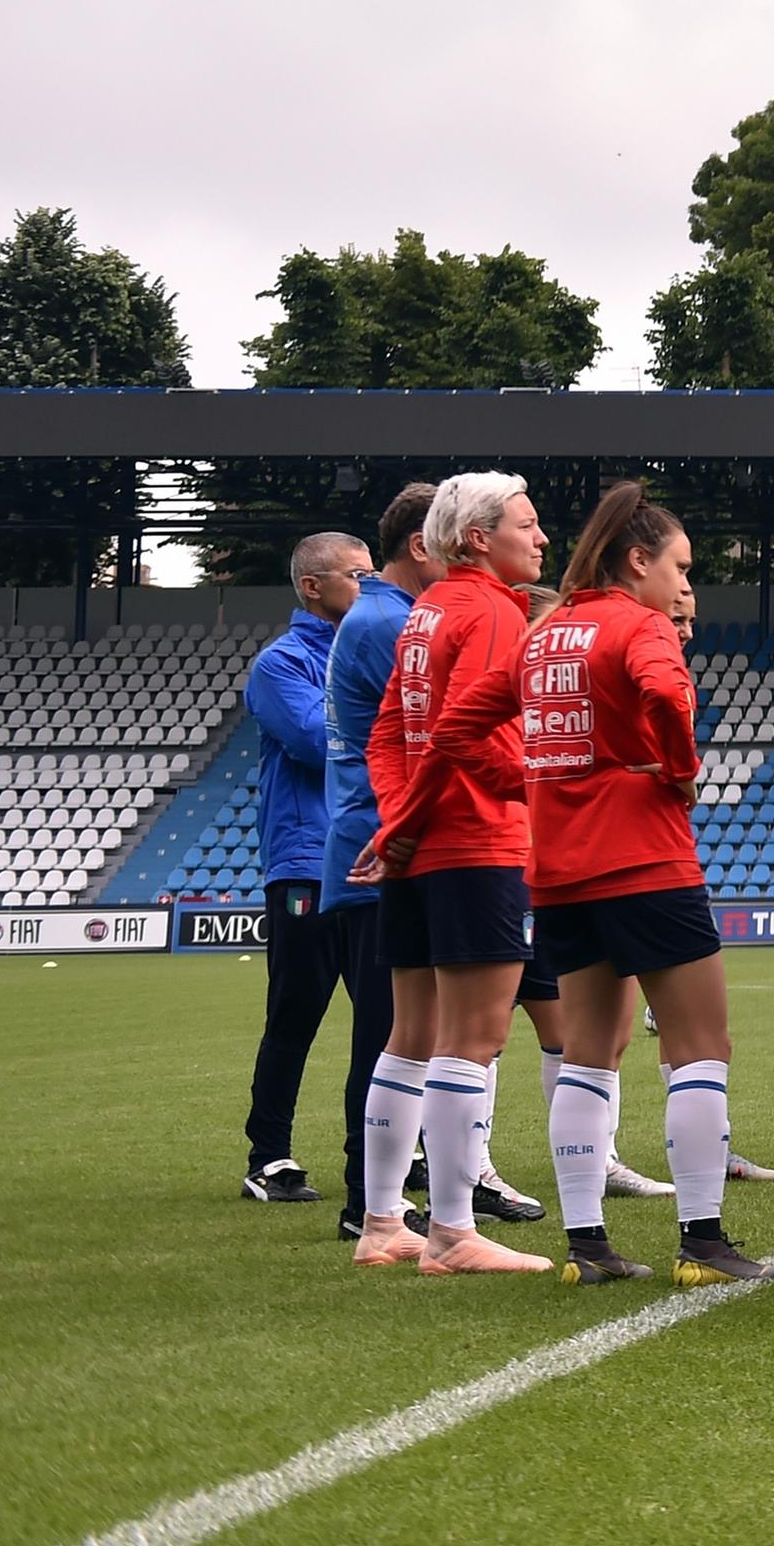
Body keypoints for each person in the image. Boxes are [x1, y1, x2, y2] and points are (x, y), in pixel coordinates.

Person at [521, 484, 765, 1285]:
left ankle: (587, 1247)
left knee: (589, 1052)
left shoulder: (548, 629)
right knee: (702, 1045)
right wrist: (683, 768)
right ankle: (702, 1240)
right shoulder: (640, 624)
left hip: (559, 865)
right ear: (638, 560)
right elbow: (664, 692)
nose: (683, 582)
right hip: (643, 858)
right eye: (680, 565)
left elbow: (471, 715)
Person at [364, 470, 559, 1274]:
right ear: (480, 536)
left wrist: (395, 823)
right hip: (476, 841)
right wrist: (546, 783)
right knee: (471, 1040)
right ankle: (450, 1230)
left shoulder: (425, 611)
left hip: (422, 846)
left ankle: (382, 1223)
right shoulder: (488, 613)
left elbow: (387, 735)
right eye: (528, 522)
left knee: (409, 1038)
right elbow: (460, 735)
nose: (542, 537)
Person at [236, 530, 364, 1204]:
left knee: (388, 1017)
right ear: (312, 585)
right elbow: (322, 744)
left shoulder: (372, 650)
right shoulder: (281, 664)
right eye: (356, 576)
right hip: (308, 863)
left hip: (370, 864)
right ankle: (270, 1156)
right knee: (296, 1011)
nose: (369, 588)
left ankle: (388, 1152)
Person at [328, 487, 435, 1252]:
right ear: (423, 546)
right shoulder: (391, 622)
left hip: (380, 838)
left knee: (401, 1027)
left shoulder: (380, 616)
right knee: (389, 1031)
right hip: (380, 843)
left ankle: (386, 1196)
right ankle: (369, 1202)